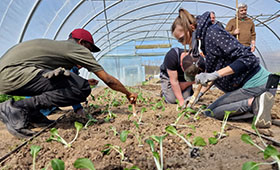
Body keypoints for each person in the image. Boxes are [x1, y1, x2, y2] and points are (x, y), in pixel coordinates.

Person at [0, 28, 137, 138]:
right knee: (82, 88)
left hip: (7, 77)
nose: (89, 53)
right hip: (14, 74)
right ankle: (16, 108)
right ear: (81, 43)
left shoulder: (58, 47)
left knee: (67, 81)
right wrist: (128, 93)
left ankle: (32, 113)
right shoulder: (76, 49)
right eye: (89, 49)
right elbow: (108, 79)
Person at [171, 8, 277, 128]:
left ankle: (254, 103)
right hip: (249, 85)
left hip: (257, 82)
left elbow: (248, 58)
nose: (182, 43)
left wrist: (216, 74)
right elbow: (212, 74)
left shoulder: (213, 33)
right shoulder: (205, 39)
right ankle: (257, 107)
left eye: (181, 39)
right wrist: (196, 96)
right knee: (210, 110)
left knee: (211, 112)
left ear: (192, 28)